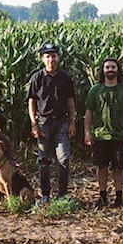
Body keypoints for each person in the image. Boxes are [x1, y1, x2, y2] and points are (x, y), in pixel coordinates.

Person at [84, 57, 123, 209]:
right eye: (107, 67)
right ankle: (102, 197)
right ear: (103, 70)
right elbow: (89, 113)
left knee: (118, 168)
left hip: (119, 135)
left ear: (118, 70)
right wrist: (87, 133)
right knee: (101, 167)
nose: (110, 70)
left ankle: (119, 198)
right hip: (100, 135)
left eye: (113, 67)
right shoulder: (95, 90)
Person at [27, 43, 76, 203]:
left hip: (61, 122)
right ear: (43, 59)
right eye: (47, 56)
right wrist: (34, 124)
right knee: (44, 160)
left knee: (64, 158)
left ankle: (62, 194)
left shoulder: (65, 78)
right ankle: (45, 194)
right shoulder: (37, 78)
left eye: (53, 56)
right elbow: (32, 102)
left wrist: (72, 122)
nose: (51, 59)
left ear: (58, 58)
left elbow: (70, 102)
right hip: (43, 123)